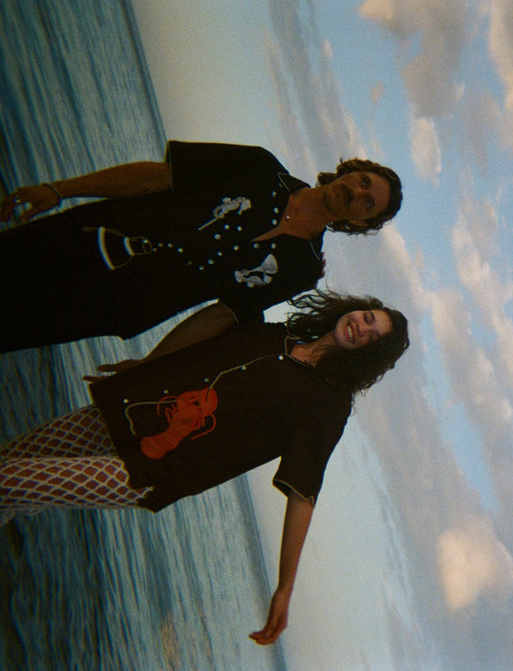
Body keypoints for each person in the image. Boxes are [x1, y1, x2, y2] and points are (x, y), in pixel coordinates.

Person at [0, 289, 410, 645]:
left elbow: (305, 490)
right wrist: (145, 362)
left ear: (367, 355)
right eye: (368, 317)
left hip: (150, 471)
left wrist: (285, 586)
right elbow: (207, 328)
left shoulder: (328, 405)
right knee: (11, 465)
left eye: (372, 337)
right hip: (126, 411)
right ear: (356, 308)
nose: (362, 327)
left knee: (10, 481)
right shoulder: (275, 333)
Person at [0, 141, 403, 355]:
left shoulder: (302, 268)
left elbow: (222, 314)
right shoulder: (260, 167)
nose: (357, 192)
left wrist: (148, 365)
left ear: (360, 224)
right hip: (89, 236)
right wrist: (60, 190)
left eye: (369, 204)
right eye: (364, 181)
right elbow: (159, 177)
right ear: (352, 170)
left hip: (117, 305)